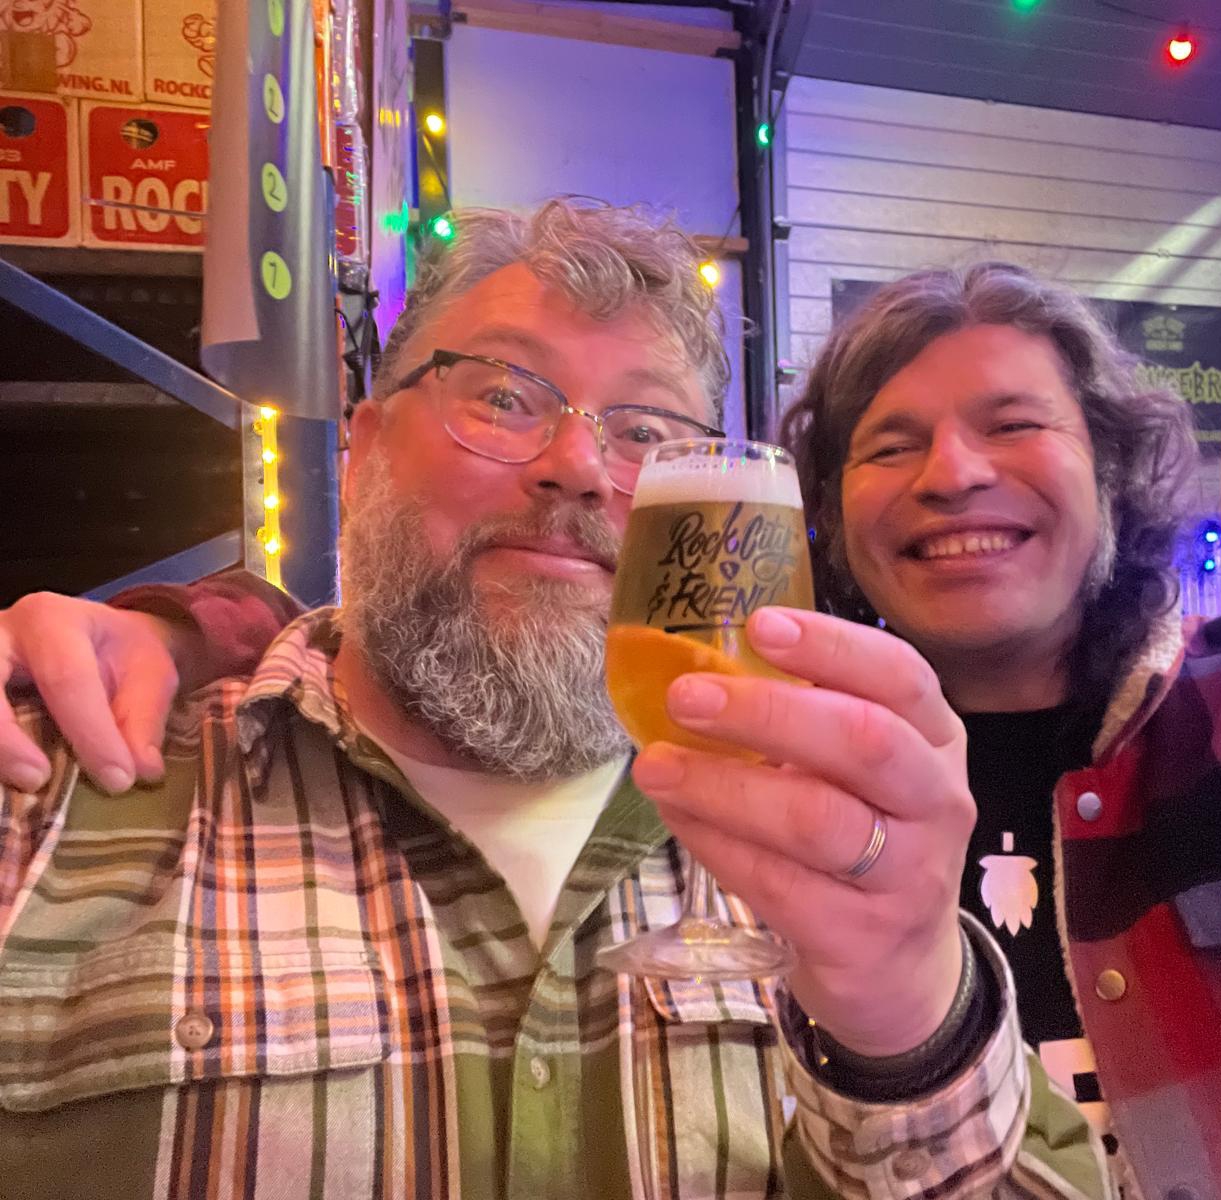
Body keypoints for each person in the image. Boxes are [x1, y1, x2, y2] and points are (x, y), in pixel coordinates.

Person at [5, 214, 1221, 1199]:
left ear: (1115, 471)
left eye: (1014, 424)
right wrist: (194, 628)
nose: (955, 474)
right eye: (500, 396)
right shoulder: (779, 788)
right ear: (810, 521)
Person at [0, 201, 1110, 1200]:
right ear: (364, 446)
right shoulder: (49, 782)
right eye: (501, 395)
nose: (578, 464)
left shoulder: (830, 857)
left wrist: (910, 1036)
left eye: (645, 432)